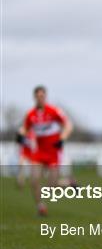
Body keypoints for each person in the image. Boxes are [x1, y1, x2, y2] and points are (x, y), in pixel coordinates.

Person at [17, 86, 72, 216]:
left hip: (53, 151)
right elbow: (24, 128)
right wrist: (20, 135)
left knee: (51, 187)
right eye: (38, 96)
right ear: (34, 97)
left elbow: (68, 125)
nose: (40, 98)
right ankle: (41, 207)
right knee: (34, 180)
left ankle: (68, 183)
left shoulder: (54, 111)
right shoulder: (30, 114)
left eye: (42, 96)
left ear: (45, 97)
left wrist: (62, 138)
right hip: (39, 152)